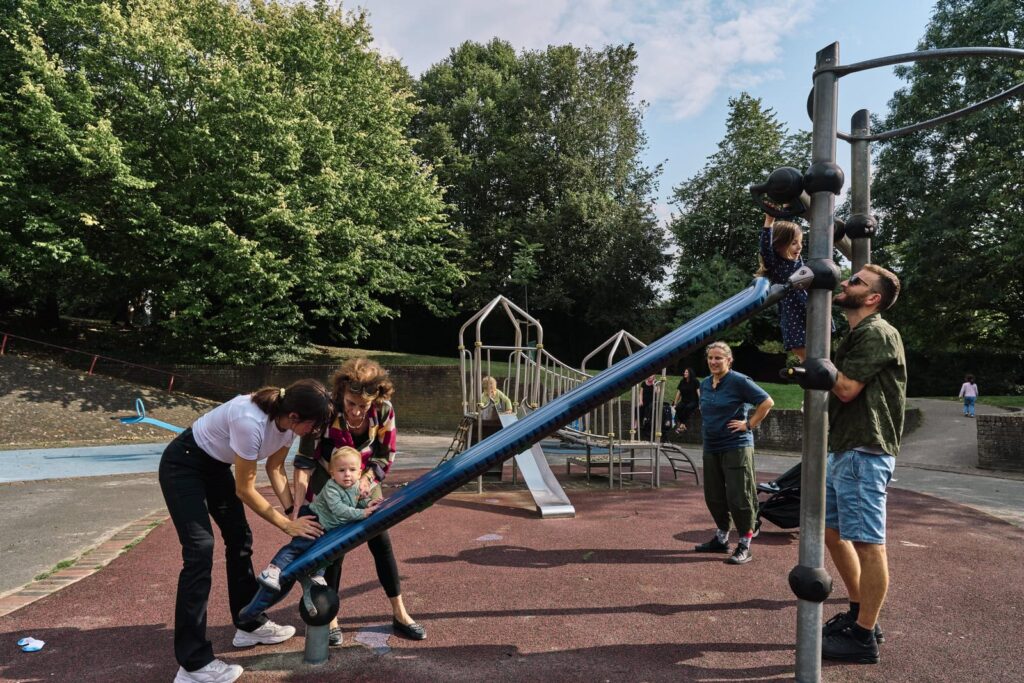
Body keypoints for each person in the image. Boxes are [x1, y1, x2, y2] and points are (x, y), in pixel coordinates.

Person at [159, 379, 332, 683]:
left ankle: (247, 623)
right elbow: (245, 489)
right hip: (183, 465)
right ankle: (193, 664)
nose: (313, 433)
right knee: (200, 550)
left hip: (214, 467)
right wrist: (286, 524)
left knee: (240, 538)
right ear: (295, 417)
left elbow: (275, 468)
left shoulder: (288, 426)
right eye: (313, 426)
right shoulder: (249, 420)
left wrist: (293, 507)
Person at [293, 358, 425, 644]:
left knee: (381, 541)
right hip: (328, 484)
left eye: (362, 406)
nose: (355, 411)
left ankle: (400, 612)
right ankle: (331, 616)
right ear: (341, 393)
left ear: (375, 399)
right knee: (335, 548)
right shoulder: (325, 411)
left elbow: (384, 454)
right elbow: (304, 462)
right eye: (351, 403)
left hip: (365, 481)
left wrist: (366, 482)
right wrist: (297, 510)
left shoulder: (384, 411)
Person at [821, 264, 905, 665]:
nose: (845, 283)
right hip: (845, 446)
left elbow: (848, 388)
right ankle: (859, 612)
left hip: (865, 449)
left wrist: (817, 365)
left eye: (856, 282)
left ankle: (864, 637)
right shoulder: (857, 332)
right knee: (834, 534)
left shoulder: (877, 332)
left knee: (869, 543)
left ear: (872, 298)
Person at [253, 447, 382, 594]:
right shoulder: (331, 488)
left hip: (328, 526)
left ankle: (315, 573)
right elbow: (340, 509)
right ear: (332, 474)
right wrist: (363, 513)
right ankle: (272, 570)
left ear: (360, 473)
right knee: (300, 546)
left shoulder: (356, 487)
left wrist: (367, 504)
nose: (347, 475)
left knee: (326, 550)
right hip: (313, 518)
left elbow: (356, 502)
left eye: (352, 470)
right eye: (341, 470)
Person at [692, 342, 774, 565]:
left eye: (719, 358)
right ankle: (721, 538)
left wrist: (748, 424)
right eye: (710, 358)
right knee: (714, 496)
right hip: (711, 445)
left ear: (729, 360)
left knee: (739, 496)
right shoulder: (706, 383)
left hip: (736, 446)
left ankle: (745, 545)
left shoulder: (739, 381)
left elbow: (767, 402)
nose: (713, 362)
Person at [757, 213, 808, 362]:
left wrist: (788, 208)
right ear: (778, 246)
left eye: (800, 242)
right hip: (794, 315)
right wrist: (769, 221)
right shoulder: (776, 264)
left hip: (811, 308)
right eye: (794, 243)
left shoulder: (799, 262)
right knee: (805, 357)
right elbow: (765, 248)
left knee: (819, 352)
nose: (799, 247)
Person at [673, 367, 700, 433]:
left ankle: (682, 424)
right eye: (684, 372)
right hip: (684, 401)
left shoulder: (695, 381)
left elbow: (698, 392)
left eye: (686, 372)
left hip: (693, 401)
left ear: (690, 373)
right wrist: (675, 403)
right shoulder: (682, 381)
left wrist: (701, 403)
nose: (684, 373)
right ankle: (683, 425)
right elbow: (678, 393)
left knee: (688, 408)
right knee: (678, 408)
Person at [637, 375, 658, 439]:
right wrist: (640, 401)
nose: (649, 377)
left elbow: (657, 392)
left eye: (651, 376)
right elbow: (640, 393)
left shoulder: (656, 383)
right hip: (644, 401)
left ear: (654, 377)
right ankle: (637, 423)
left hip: (652, 402)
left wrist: (654, 384)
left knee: (648, 409)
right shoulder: (644, 383)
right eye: (649, 376)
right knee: (637, 408)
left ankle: (645, 422)